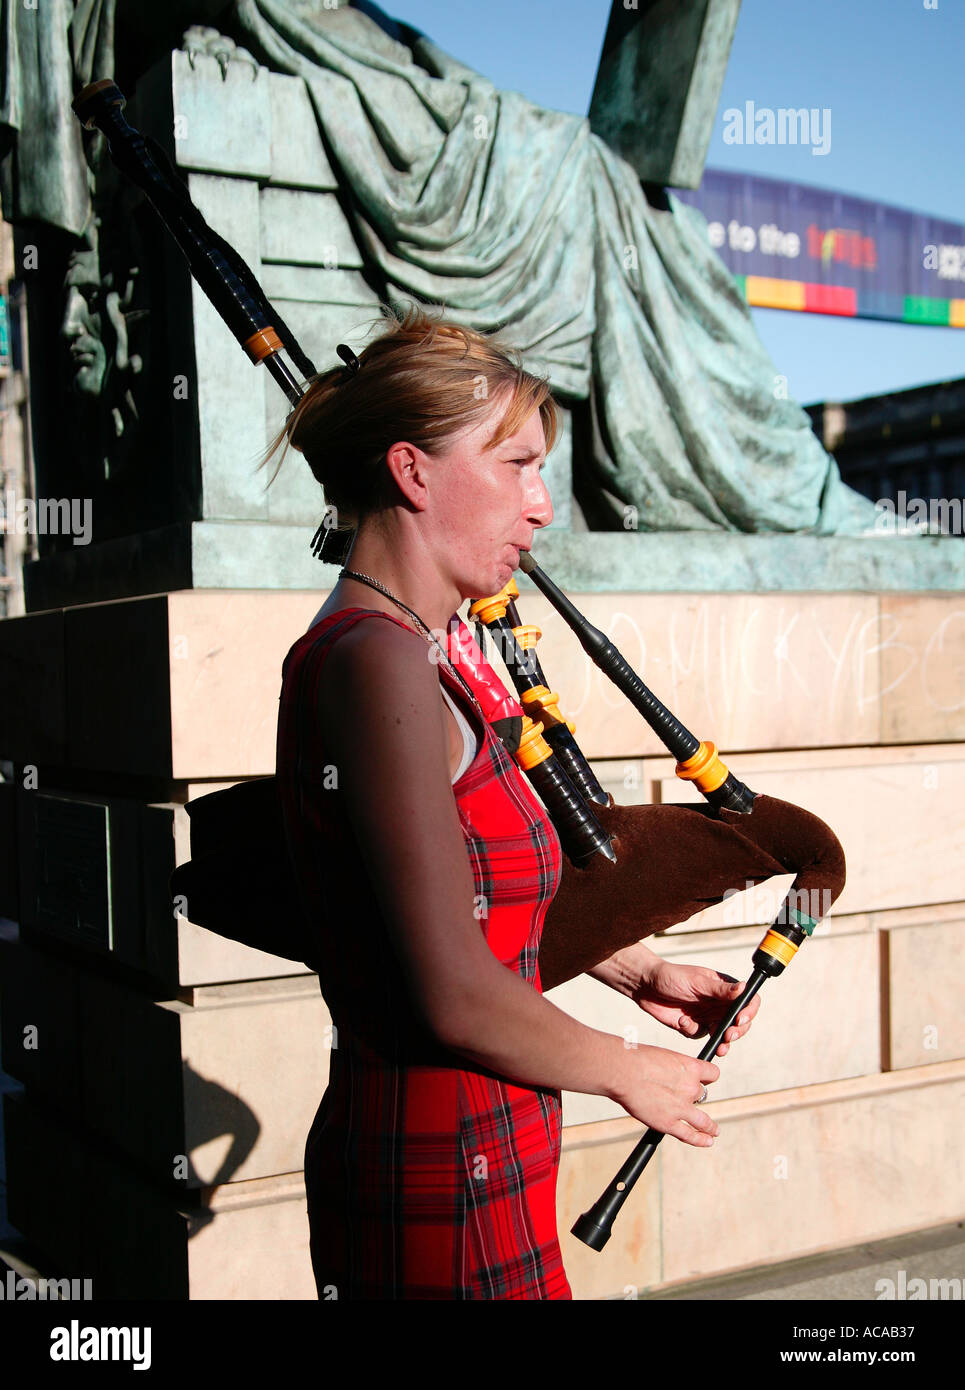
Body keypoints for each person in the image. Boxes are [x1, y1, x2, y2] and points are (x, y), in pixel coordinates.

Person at [267, 303, 759, 1301]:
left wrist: (631, 968)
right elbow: (449, 989)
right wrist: (626, 1068)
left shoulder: (410, 652)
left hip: (479, 1152)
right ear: (411, 472)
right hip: (436, 1167)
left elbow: (447, 901)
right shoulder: (376, 665)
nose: (539, 506)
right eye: (517, 466)